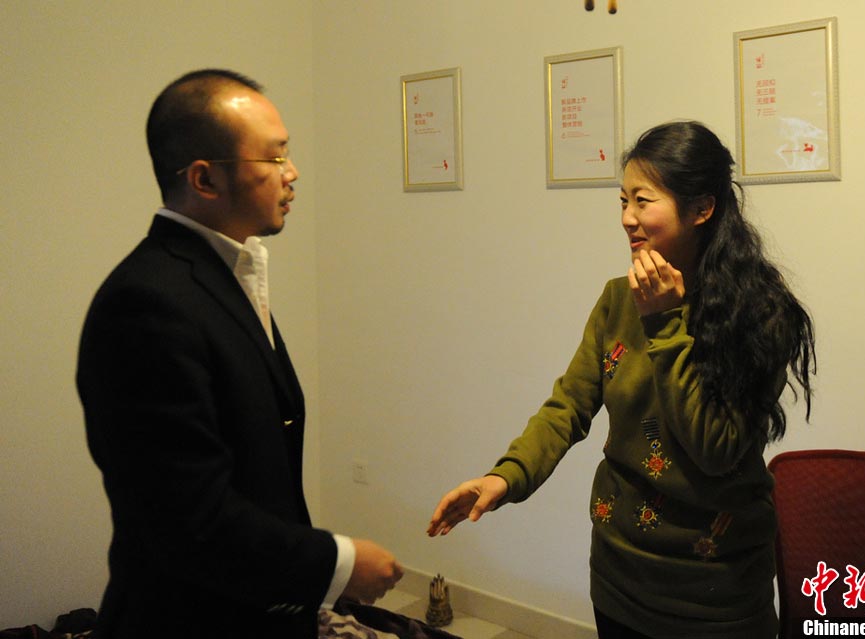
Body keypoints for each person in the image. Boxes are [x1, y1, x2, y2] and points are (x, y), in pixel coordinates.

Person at [428, 121, 815, 638]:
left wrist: (664, 322)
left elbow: (715, 448)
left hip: (712, 593)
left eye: (643, 201)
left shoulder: (763, 313)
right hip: (618, 574)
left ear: (701, 209)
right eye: (622, 201)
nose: (628, 219)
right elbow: (568, 405)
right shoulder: (618, 298)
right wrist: (505, 477)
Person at [77, 69, 402, 639]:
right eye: (275, 159)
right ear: (205, 179)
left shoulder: (221, 275)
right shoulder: (146, 302)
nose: (292, 174)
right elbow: (189, 517)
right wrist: (339, 564)